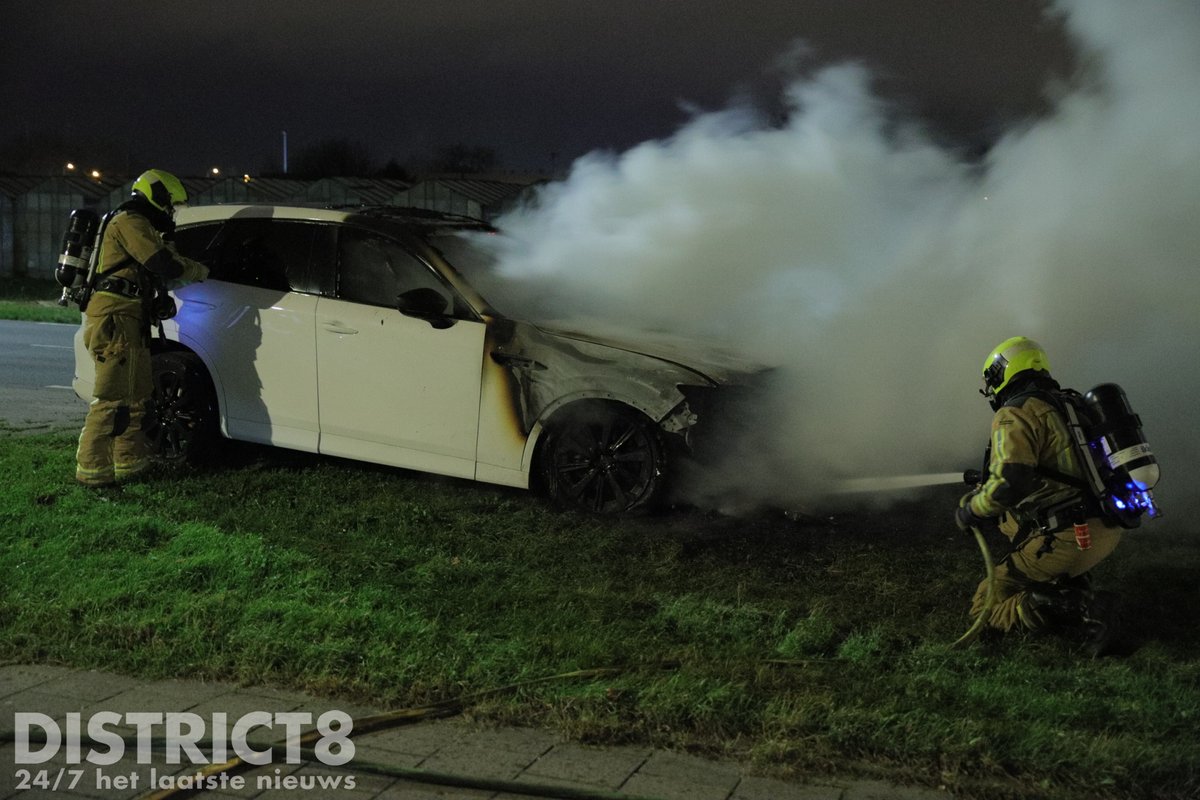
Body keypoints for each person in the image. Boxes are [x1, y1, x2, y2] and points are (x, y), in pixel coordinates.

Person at [955, 336, 1122, 655]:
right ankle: (1072, 582)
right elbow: (1059, 466)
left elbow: (1010, 483)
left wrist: (972, 509)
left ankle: (1072, 605)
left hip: (1067, 538)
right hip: (1104, 529)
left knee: (986, 603)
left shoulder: (1013, 413)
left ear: (1000, 374)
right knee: (1010, 523)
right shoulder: (1071, 405)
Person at [75, 169, 209, 487]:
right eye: (170, 205)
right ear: (158, 196)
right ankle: (92, 473)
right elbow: (162, 263)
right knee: (111, 399)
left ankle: (129, 464)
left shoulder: (144, 224)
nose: (171, 212)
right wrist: (198, 269)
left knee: (135, 398)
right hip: (113, 318)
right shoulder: (129, 221)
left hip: (130, 318)